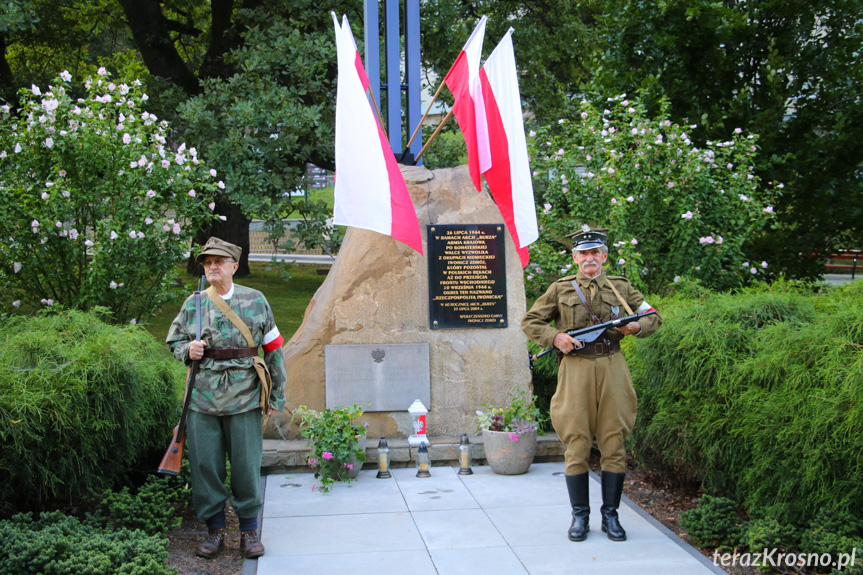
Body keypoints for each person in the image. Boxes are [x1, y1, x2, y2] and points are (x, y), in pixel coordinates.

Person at [521, 225, 662, 542]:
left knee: (614, 442)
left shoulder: (622, 288)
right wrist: (555, 337)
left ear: (604, 256)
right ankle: (580, 518)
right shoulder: (561, 289)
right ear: (575, 257)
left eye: (594, 252)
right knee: (577, 442)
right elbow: (531, 321)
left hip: (612, 365)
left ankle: (611, 517)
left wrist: (636, 327)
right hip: (576, 369)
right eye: (583, 253)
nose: (589, 258)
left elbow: (653, 316)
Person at [166, 237, 286, 559]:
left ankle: (248, 531)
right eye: (207, 262)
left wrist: (276, 397)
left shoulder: (257, 300)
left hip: (245, 397)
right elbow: (174, 341)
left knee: (246, 466)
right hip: (202, 399)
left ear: (234, 266)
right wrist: (186, 350)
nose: (212, 267)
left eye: (219, 261)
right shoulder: (194, 303)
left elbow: (274, 351)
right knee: (206, 466)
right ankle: (215, 530)